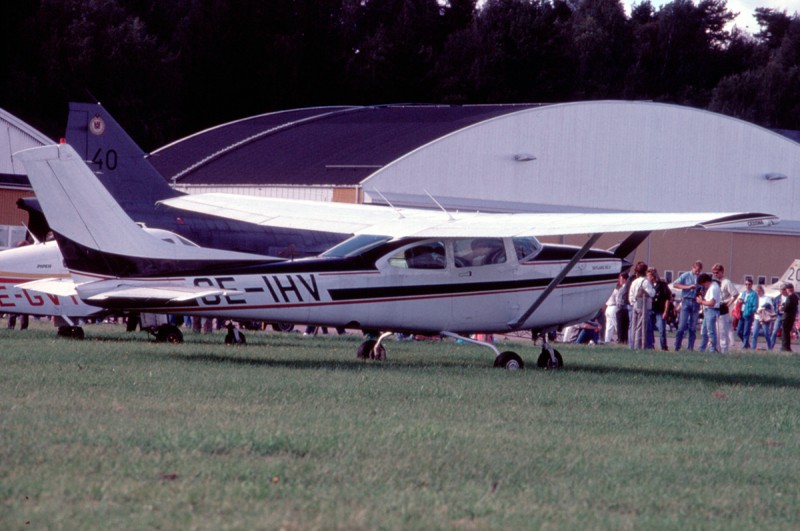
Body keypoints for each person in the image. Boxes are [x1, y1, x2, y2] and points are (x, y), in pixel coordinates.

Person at [673, 260, 703, 351]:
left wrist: (701, 292)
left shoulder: (700, 277)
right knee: (681, 326)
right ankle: (677, 346)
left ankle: (690, 348)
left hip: (695, 302)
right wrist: (688, 287)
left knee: (693, 327)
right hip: (686, 301)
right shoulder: (686, 275)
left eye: (699, 271)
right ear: (692, 268)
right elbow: (675, 284)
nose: (697, 272)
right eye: (696, 270)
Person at [712, 263, 739, 353]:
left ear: (722, 272)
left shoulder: (726, 282)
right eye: (714, 273)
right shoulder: (714, 282)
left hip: (723, 306)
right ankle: (716, 348)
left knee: (723, 330)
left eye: (717, 272)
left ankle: (724, 350)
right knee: (716, 330)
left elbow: (735, 294)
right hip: (715, 307)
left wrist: (729, 303)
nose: (715, 274)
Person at [629, 262, 655, 350]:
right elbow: (652, 293)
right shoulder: (645, 282)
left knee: (634, 326)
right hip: (643, 304)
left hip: (635, 304)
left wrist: (633, 303)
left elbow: (631, 296)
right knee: (640, 327)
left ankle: (632, 345)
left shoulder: (634, 282)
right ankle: (638, 346)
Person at [697, 273, 720, 353]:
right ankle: (702, 349)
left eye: (703, 284)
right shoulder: (712, 287)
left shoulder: (713, 287)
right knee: (704, 331)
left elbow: (712, 302)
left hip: (711, 310)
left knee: (711, 332)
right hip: (708, 311)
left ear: (706, 281)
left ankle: (712, 350)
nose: (703, 286)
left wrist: (701, 301)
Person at [649, 267, 672, 351]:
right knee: (649, 329)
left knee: (662, 329)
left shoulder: (662, 285)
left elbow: (667, 298)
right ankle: (650, 345)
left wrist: (666, 311)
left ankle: (664, 346)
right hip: (650, 309)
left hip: (660, 310)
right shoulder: (648, 285)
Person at [751, 285, 776, 350]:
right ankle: (753, 348)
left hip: (765, 318)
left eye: (759, 291)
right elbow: (753, 306)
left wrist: (763, 308)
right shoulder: (755, 298)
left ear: (762, 291)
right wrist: (756, 310)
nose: (758, 293)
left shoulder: (766, 298)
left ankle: (770, 348)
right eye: (757, 291)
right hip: (757, 317)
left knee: (766, 333)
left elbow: (771, 307)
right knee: (755, 333)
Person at [737, 279, 758, 348]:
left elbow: (755, 305)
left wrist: (750, 311)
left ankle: (745, 346)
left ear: (751, 285)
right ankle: (746, 344)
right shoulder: (743, 293)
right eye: (746, 284)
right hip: (741, 313)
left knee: (746, 332)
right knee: (739, 331)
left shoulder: (754, 294)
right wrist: (740, 301)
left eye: (749, 284)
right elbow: (740, 300)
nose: (747, 286)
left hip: (748, 314)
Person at [779, 282, 799, 352]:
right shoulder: (795, 297)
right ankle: (787, 347)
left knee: (785, 333)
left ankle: (785, 347)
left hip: (787, 316)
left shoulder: (790, 297)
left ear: (788, 289)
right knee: (787, 332)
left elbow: (787, 307)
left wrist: (782, 307)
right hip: (792, 316)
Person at [604, 276, 622, 343]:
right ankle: (620, 338)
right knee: (616, 324)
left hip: (608, 308)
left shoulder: (608, 290)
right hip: (614, 307)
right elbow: (618, 301)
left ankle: (607, 340)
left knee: (609, 326)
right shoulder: (616, 291)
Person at [615, 272, 631, 345]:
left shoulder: (625, 288)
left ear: (624, 279)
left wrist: (619, 307)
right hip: (621, 309)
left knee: (621, 326)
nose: (619, 280)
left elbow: (622, 299)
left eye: (620, 279)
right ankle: (622, 339)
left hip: (622, 309)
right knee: (621, 326)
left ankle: (621, 339)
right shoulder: (622, 288)